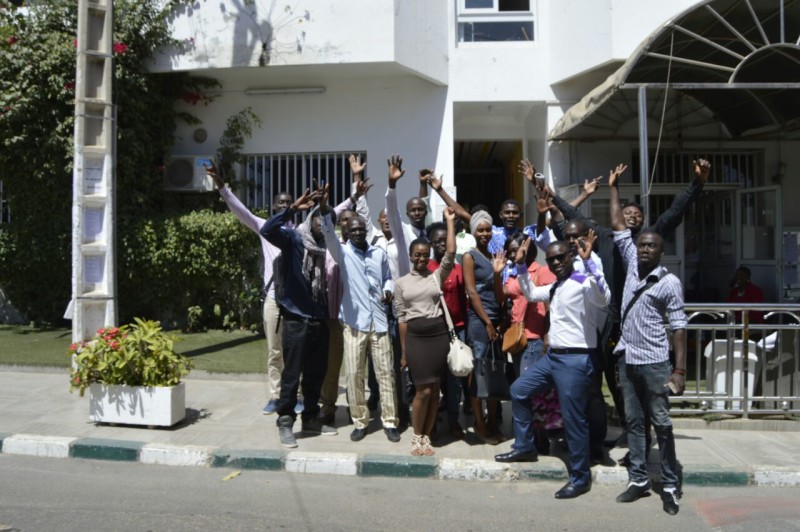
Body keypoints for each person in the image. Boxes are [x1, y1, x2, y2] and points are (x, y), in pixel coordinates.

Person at [534, 159, 709, 449]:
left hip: (630, 326)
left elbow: (675, 212)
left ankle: (635, 434)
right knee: (595, 378)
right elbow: (571, 214)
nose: (631, 217)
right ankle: (596, 435)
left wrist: (697, 183)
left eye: (636, 214)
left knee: (622, 383)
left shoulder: (644, 243)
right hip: (602, 320)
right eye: (626, 212)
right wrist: (547, 192)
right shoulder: (603, 237)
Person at [495, 232, 609, 501]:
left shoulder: (584, 281)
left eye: (560, 257)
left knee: (573, 420)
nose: (556, 262)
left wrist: (590, 260)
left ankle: (580, 477)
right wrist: (521, 266)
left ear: (570, 256)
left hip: (576, 360)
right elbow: (532, 293)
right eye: (551, 259)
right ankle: (525, 446)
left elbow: (603, 297)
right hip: (553, 358)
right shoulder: (557, 286)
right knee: (519, 390)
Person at [610, 207, 687, 515]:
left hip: (655, 364)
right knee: (634, 422)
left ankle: (669, 484)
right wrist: (613, 188)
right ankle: (638, 480)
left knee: (663, 426)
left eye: (651, 245)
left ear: (662, 251)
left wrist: (680, 370)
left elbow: (679, 327)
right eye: (641, 244)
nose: (644, 249)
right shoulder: (630, 264)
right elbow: (618, 226)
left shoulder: (670, 283)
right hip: (627, 360)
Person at [319, 187, 400, 443]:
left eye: (360, 229)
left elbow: (388, 278)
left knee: (385, 373)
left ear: (366, 230)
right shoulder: (341, 253)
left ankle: (389, 421)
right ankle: (360, 421)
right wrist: (323, 208)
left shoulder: (379, 253)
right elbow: (328, 234)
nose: (357, 232)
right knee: (354, 375)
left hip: (379, 323)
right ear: (346, 232)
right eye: (352, 229)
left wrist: (388, 290)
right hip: (354, 325)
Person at [260, 187, 337, 448]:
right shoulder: (294, 239)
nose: (321, 223)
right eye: (317, 218)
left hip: (320, 320)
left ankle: (311, 417)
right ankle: (285, 420)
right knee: (291, 375)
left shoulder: (330, 248)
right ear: (309, 219)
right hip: (296, 319)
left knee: (316, 373)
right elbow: (267, 230)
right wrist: (291, 209)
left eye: (326, 221)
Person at [393, 207, 457, 455]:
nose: (421, 259)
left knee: (435, 389)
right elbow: (401, 318)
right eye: (417, 255)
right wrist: (404, 352)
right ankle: (417, 436)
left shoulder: (436, 276)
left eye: (424, 255)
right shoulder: (401, 283)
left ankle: (427, 437)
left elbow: (450, 253)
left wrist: (449, 221)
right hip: (416, 340)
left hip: (438, 337)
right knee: (422, 390)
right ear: (410, 256)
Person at [493, 233, 562, 453]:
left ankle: (534, 442)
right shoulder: (515, 273)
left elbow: (553, 304)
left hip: (535, 340)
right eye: (511, 250)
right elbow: (501, 297)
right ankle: (530, 440)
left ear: (530, 248)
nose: (514, 254)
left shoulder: (542, 271)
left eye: (517, 249)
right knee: (525, 391)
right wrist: (497, 275)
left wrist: (548, 336)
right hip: (518, 341)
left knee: (527, 392)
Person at [462, 209, 505, 444]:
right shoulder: (469, 256)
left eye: (488, 229)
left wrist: (498, 274)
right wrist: (488, 322)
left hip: (496, 321)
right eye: (480, 229)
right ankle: (479, 424)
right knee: (479, 374)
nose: (485, 233)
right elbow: (471, 292)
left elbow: (499, 297)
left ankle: (492, 422)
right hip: (480, 322)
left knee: (494, 372)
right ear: (473, 232)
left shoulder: (492, 256)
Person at [426, 220, 469, 439]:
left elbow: (463, 300)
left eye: (445, 240)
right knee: (434, 379)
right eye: (438, 241)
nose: (442, 244)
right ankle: (432, 423)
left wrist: (465, 332)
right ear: (431, 244)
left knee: (455, 380)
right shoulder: (427, 269)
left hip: (456, 330)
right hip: (434, 331)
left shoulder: (459, 268)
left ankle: (453, 420)